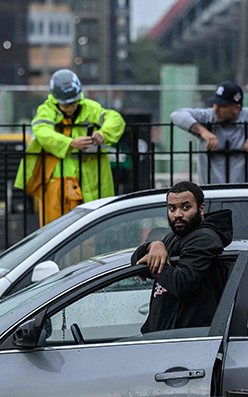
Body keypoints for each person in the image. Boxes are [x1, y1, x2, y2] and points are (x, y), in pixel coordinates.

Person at [14, 69, 125, 226]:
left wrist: (103, 134)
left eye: (73, 103)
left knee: (90, 228)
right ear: (56, 99)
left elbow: (115, 119)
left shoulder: (89, 107)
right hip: (57, 182)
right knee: (55, 230)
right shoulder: (46, 110)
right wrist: (71, 143)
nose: (70, 108)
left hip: (90, 179)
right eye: (65, 105)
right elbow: (42, 131)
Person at [131, 181, 233, 333]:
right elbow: (136, 264)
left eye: (186, 207)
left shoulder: (204, 239)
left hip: (189, 340)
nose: (178, 214)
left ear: (201, 208)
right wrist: (153, 246)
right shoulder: (174, 237)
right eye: (172, 208)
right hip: (164, 340)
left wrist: (158, 265)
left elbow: (181, 283)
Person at [170, 81, 248, 184]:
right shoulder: (207, 117)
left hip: (243, 192)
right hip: (210, 192)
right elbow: (176, 115)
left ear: (236, 108)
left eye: (222, 106)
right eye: (215, 103)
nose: (215, 109)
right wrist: (203, 131)